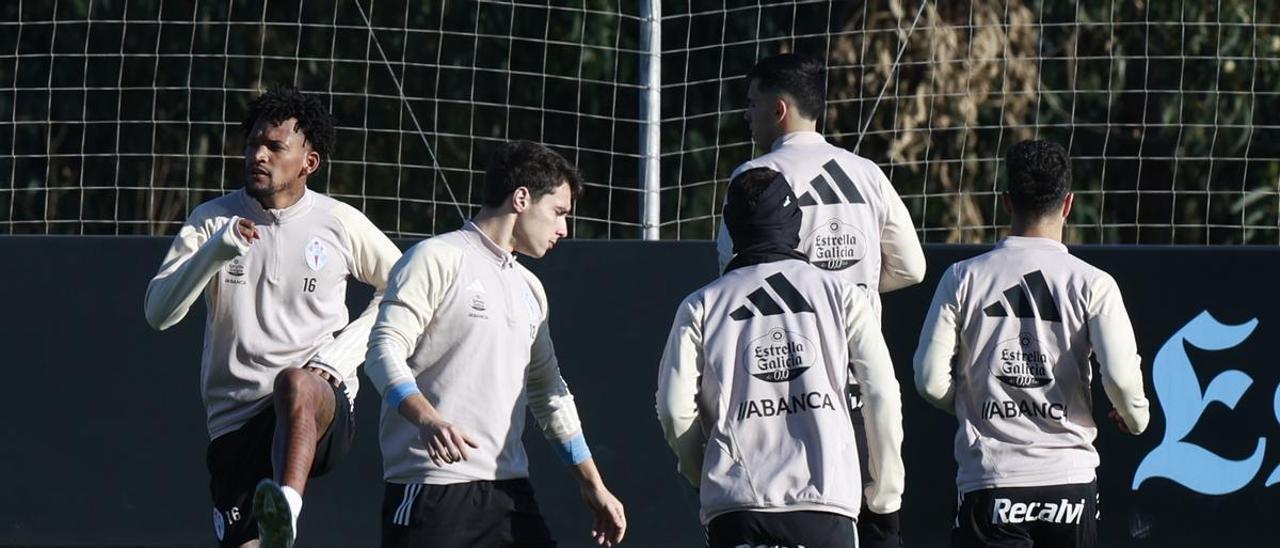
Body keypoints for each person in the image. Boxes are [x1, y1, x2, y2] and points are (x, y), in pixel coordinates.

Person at [144, 85, 402, 547]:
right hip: (234, 427)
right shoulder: (211, 219)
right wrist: (218, 249)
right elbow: (158, 313)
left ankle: (288, 509)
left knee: (295, 382)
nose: (258, 156)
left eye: (275, 147)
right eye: (253, 144)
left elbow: (403, 290)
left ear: (309, 162)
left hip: (317, 404)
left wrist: (338, 358)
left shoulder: (339, 221)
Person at [364, 140, 627, 547]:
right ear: (521, 198)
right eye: (558, 213)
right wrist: (428, 420)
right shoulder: (436, 258)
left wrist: (593, 483)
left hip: (509, 495)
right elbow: (382, 351)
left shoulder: (530, 289)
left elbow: (549, 393)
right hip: (432, 489)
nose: (564, 229)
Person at [717, 51, 925, 546]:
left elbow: (734, 281)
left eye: (751, 103)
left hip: (790, 405)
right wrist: (850, 292)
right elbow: (913, 268)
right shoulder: (867, 174)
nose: (747, 115)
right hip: (861, 399)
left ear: (779, 109)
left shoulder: (753, 177)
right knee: (876, 528)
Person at [913, 139, 1150, 548]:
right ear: (1069, 204)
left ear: (1006, 202)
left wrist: (971, 401)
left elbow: (929, 380)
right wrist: (1136, 417)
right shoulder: (1093, 283)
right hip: (1069, 486)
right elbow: (1121, 380)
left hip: (990, 484)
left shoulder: (962, 278)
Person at [658, 167, 905, 548]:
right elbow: (880, 394)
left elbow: (674, 410)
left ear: (731, 226)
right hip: (825, 503)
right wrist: (885, 495)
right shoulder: (842, 295)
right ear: (795, 222)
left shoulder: (700, 305)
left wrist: (700, 473)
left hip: (736, 505)